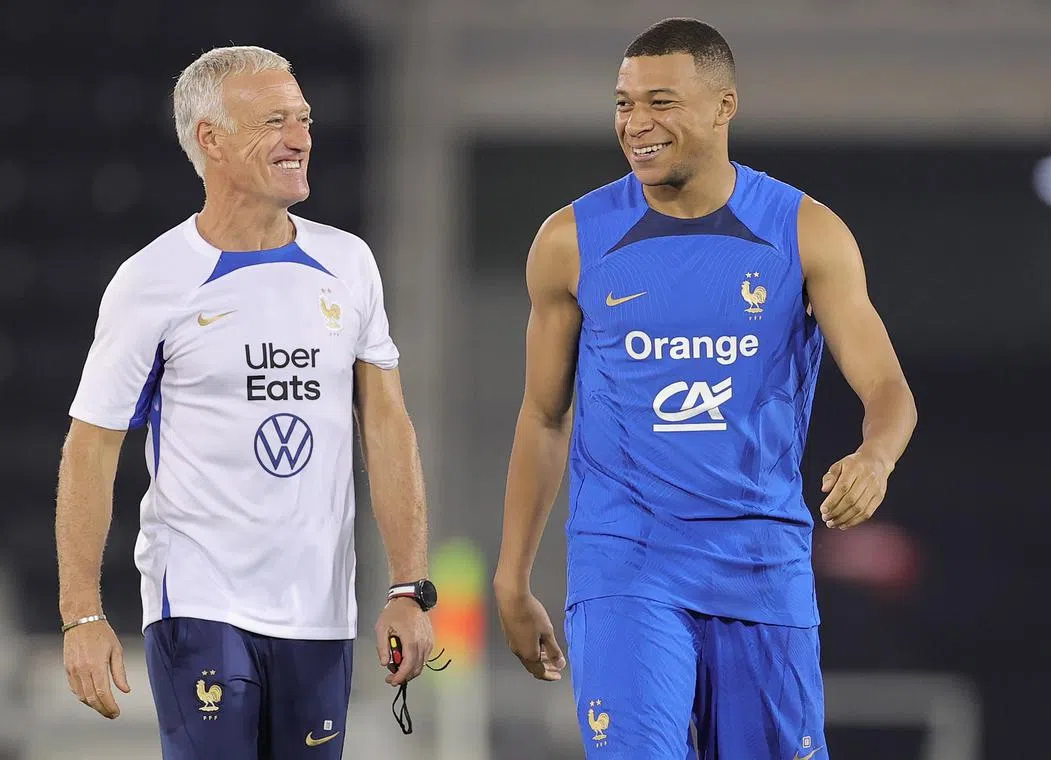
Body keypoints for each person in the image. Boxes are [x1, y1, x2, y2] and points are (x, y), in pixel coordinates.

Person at [494, 18, 917, 760]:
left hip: (761, 565)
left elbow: (887, 387)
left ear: (725, 106)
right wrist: (512, 575)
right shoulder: (570, 242)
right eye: (624, 103)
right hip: (626, 564)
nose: (636, 123)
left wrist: (875, 457)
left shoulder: (806, 233)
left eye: (661, 102)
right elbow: (544, 416)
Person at [56, 46, 438, 759]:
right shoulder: (152, 281)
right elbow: (91, 446)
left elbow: (387, 426)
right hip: (199, 601)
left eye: (304, 119)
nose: (300, 139)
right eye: (274, 122)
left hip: (319, 609)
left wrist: (408, 588)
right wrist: (82, 614)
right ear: (211, 138)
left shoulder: (349, 264)